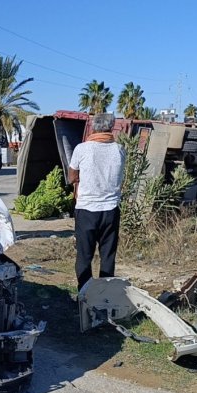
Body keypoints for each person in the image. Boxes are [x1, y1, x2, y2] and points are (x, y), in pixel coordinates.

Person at [67, 113, 126, 291]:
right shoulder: (120, 149)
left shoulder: (82, 149)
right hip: (111, 210)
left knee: (84, 255)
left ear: (94, 127)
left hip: (87, 209)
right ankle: (104, 296)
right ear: (111, 127)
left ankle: (85, 294)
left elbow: (71, 178)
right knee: (108, 255)